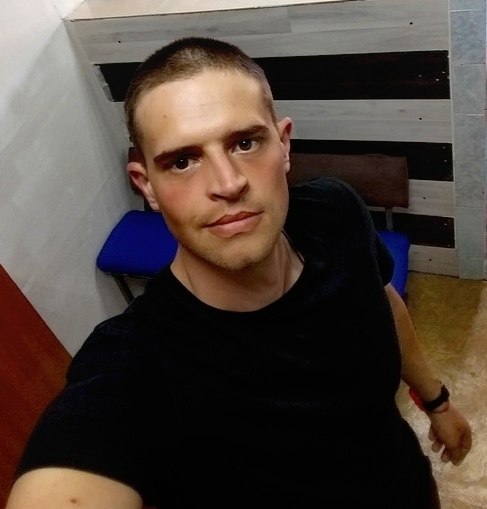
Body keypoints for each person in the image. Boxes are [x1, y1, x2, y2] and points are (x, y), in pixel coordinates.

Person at [5, 37, 472, 509]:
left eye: (245, 143)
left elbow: (382, 302)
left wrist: (437, 402)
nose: (228, 184)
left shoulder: (337, 212)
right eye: (182, 161)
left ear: (283, 145)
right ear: (147, 186)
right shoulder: (138, 361)